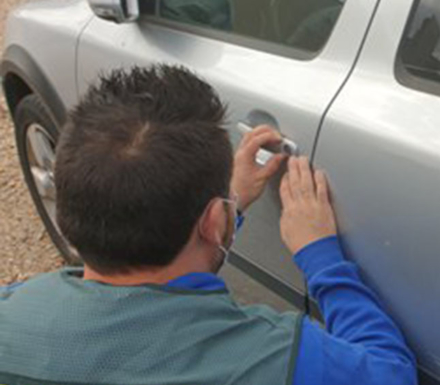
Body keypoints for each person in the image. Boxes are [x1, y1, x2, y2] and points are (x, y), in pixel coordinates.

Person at [0, 65, 417, 385]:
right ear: (215, 222)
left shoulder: (11, 309)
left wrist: (222, 210)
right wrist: (321, 256)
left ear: (69, 209)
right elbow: (391, 373)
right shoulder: (272, 360)